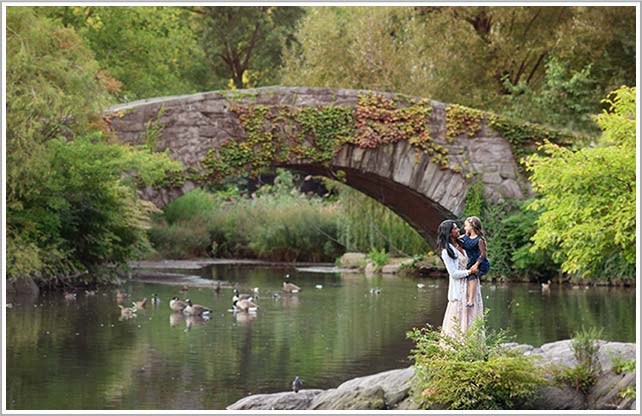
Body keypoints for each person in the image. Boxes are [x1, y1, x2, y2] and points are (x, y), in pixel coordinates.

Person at [437, 219, 484, 338]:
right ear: (448, 232)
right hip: (460, 287)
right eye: (455, 228)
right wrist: (469, 271)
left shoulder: (464, 242)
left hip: (472, 284)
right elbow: (453, 273)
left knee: (474, 313)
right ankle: (458, 347)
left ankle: (475, 347)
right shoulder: (446, 251)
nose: (458, 230)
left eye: (458, 227)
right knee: (460, 315)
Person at [460, 216, 490, 307]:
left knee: (472, 276)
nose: (464, 228)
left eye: (466, 226)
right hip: (470, 261)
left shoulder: (479, 240)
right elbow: (458, 241)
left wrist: (476, 265)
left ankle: (471, 300)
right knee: (469, 275)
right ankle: (467, 297)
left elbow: (483, 254)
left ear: (472, 226)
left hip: (479, 262)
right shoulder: (465, 237)